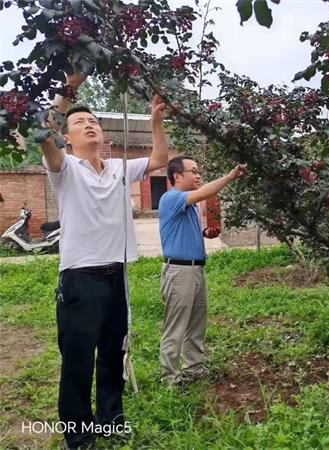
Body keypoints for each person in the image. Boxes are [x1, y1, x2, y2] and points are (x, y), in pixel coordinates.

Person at [41, 73, 168, 449]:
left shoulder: (118, 169)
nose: (90, 124)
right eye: (80, 123)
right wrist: (69, 90)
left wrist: (156, 120)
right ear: (68, 138)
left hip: (117, 276)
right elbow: (43, 133)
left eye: (93, 120)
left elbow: (161, 158)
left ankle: (110, 421)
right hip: (80, 281)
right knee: (79, 363)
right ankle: (78, 438)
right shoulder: (64, 169)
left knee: (113, 355)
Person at [158, 155, 246, 387]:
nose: (198, 175)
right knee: (176, 325)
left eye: (199, 171)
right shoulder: (171, 197)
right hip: (179, 272)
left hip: (196, 270)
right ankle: (170, 377)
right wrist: (230, 176)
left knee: (197, 323)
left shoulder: (190, 205)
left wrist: (204, 233)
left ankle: (194, 368)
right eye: (193, 171)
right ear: (177, 176)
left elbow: (183, 232)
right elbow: (206, 192)